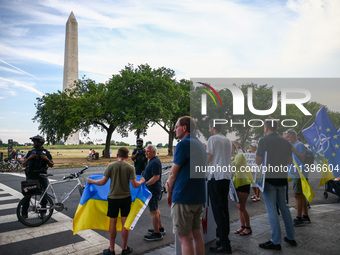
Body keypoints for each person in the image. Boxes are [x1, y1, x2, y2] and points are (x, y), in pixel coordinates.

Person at [87, 147, 145, 255]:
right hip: (126, 198)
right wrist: (141, 181)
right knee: (125, 223)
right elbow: (134, 185)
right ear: (127, 157)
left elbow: (102, 182)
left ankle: (112, 249)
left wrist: (91, 181)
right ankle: (124, 248)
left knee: (112, 223)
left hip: (113, 198)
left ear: (117, 155)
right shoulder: (130, 167)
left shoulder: (111, 166)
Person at [166, 116, 206, 255]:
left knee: (184, 239)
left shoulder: (183, 144)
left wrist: (169, 189)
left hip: (184, 197)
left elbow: (172, 174)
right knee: (197, 235)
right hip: (199, 196)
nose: (174, 129)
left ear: (184, 128)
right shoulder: (200, 144)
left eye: (176, 126)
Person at [256, 118, 296, 250]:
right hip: (282, 178)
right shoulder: (285, 142)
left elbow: (258, 160)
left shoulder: (263, 141)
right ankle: (291, 237)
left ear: (266, 127)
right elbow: (290, 161)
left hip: (269, 179)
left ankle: (276, 241)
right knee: (284, 207)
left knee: (272, 209)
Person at [206, 119, 232, 254]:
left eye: (209, 127)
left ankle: (224, 243)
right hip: (226, 177)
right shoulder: (227, 140)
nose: (209, 129)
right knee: (224, 210)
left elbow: (209, 158)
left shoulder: (212, 139)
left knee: (217, 211)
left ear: (212, 127)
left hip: (215, 177)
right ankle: (224, 238)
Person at [22, 135, 54, 218]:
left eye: (35, 142)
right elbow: (23, 164)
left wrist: (46, 159)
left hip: (42, 176)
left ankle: (43, 211)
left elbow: (51, 165)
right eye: (33, 142)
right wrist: (29, 158)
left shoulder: (46, 152)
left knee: (43, 194)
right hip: (31, 175)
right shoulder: (30, 152)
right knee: (27, 194)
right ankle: (24, 213)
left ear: (40, 143)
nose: (34, 143)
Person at [283, 129, 311, 226]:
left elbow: (302, 158)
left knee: (297, 195)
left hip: (299, 173)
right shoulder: (288, 146)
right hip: (293, 172)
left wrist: (292, 149)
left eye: (288, 137)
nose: (286, 139)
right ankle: (305, 215)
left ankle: (299, 217)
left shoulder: (299, 145)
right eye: (285, 137)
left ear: (294, 136)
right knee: (301, 195)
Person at [142, 145, 165, 241]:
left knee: (153, 211)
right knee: (156, 209)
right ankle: (160, 228)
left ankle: (156, 234)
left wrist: (145, 185)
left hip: (153, 189)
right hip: (153, 189)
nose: (146, 153)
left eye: (148, 151)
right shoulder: (152, 161)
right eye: (146, 151)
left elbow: (156, 177)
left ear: (153, 152)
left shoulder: (155, 162)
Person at [231, 142, 254, 236]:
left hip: (244, 183)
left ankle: (248, 227)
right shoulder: (231, 157)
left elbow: (234, 165)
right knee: (239, 206)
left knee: (242, 206)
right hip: (236, 183)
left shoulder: (239, 155)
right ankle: (242, 226)